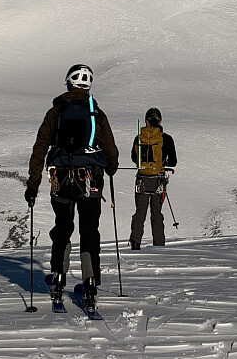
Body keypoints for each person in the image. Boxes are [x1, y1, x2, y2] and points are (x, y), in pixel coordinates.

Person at [25, 64, 119, 311]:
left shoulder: (55, 112)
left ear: (68, 83)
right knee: (89, 231)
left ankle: (58, 279)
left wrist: (33, 185)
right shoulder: (96, 113)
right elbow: (111, 151)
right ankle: (90, 284)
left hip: (61, 179)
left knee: (63, 228)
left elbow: (39, 148)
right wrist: (110, 168)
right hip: (90, 181)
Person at [128, 107, 177, 249]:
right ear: (160, 122)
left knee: (140, 212)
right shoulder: (166, 139)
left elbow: (134, 158)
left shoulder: (139, 137)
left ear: (146, 121)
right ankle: (159, 244)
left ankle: (135, 241)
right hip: (158, 180)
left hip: (142, 179)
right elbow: (173, 161)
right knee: (156, 213)